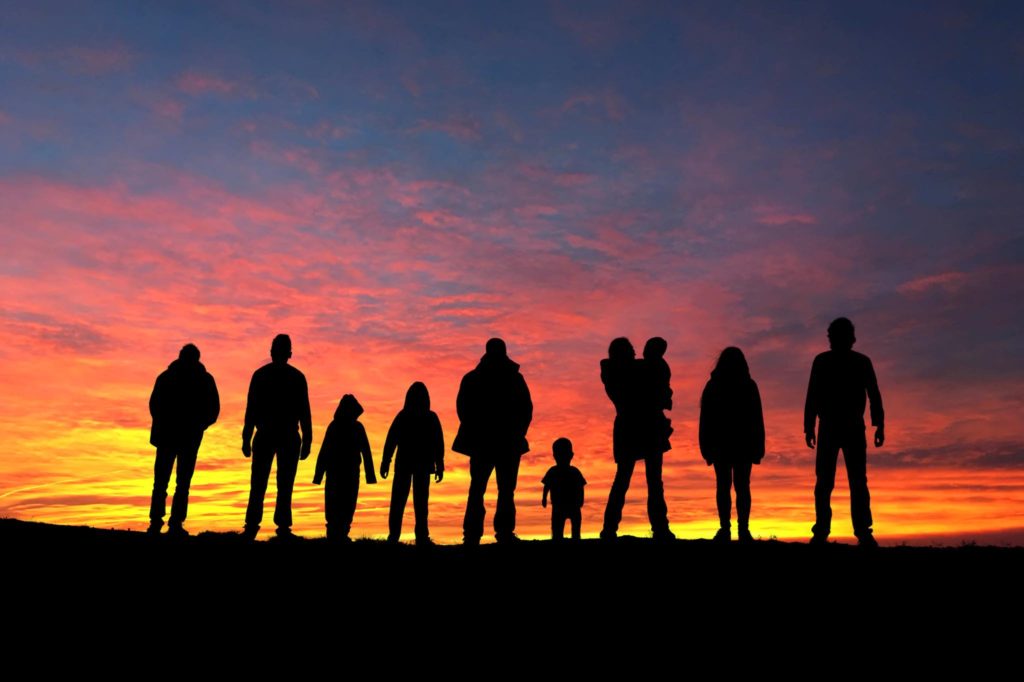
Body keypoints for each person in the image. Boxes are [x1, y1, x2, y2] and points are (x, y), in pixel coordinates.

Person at [804, 317, 885, 548]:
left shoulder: (859, 362)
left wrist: (879, 423)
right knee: (829, 481)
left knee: (853, 480)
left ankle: (859, 531)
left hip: (849, 427)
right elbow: (813, 395)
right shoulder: (824, 361)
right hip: (833, 427)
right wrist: (809, 426)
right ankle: (827, 530)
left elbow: (873, 393)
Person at [453, 338, 533, 545]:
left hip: (490, 442)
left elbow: (463, 409)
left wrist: (517, 432)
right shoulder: (513, 379)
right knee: (496, 488)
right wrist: (517, 432)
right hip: (501, 441)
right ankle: (495, 532)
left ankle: (477, 533)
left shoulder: (473, 378)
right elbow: (526, 409)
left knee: (483, 488)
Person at [600, 337, 675, 541]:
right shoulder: (618, 372)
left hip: (641, 428)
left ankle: (655, 528)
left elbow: (661, 383)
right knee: (635, 480)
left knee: (636, 480)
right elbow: (656, 386)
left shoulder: (629, 369)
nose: (635, 353)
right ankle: (656, 528)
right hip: (639, 427)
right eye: (631, 350)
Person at [241, 334, 312, 539]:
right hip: (275, 435)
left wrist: (307, 439)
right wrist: (246, 437)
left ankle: (267, 525)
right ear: (289, 353)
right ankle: (263, 525)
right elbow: (251, 410)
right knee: (271, 483)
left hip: (279, 435)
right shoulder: (292, 377)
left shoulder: (264, 376)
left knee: (272, 483)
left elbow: (304, 411)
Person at [147, 343, 220, 536]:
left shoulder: (170, 377)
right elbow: (154, 406)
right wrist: (198, 425)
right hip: (176, 437)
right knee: (174, 482)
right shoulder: (173, 378)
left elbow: (213, 410)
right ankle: (166, 522)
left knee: (169, 482)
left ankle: (165, 522)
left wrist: (198, 425)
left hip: (177, 437)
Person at [699, 347, 765, 544]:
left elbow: (705, 420)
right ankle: (738, 529)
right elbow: (757, 419)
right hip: (737, 444)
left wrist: (706, 447)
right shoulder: (746, 385)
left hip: (728, 444)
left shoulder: (716, 385)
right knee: (740, 486)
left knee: (726, 486)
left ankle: (730, 529)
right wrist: (758, 447)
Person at [380, 382, 444, 545]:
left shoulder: (409, 416)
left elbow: (438, 443)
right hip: (409, 464)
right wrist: (385, 461)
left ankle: (413, 536)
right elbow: (391, 439)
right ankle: (400, 536)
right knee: (408, 501)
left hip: (413, 464)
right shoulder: (423, 417)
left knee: (413, 502)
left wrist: (439, 464)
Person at [313, 394, 376, 542]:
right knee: (335, 502)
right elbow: (325, 451)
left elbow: (366, 452)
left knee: (347, 503)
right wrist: (318, 475)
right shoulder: (337, 427)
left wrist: (370, 475)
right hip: (337, 473)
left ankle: (341, 533)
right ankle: (334, 534)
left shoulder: (353, 427)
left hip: (349, 473)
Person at [541, 438, 587, 541]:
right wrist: (544, 498)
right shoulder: (553, 471)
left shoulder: (574, 472)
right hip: (559, 505)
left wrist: (581, 499)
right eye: (559, 455)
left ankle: (574, 538)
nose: (562, 457)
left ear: (571, 455)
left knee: (575, 527)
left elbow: (580, 486)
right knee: (557, 528)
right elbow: (547, 486)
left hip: (573, 505)